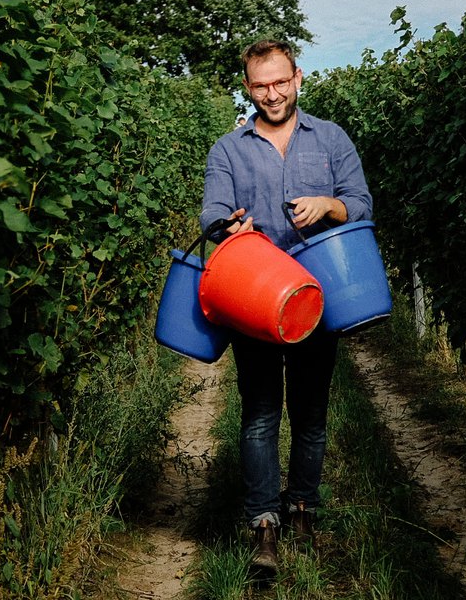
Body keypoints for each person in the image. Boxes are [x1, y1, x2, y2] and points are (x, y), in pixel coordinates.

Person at [199, 39, 373, 571]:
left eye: (280, 81)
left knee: (311, 415)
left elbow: (362, 203)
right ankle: (263, 526)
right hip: (253, 300)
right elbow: (213, 213)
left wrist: (330, 204)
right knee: (259, 415)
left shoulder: (332, 139)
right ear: (247, 87)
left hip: (317, 299)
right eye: (260, 85)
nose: (271, 94)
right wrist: (231, 226)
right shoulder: (228, 149)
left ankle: (302, 509)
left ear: (298, 77)